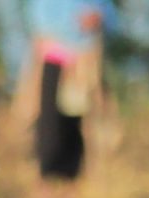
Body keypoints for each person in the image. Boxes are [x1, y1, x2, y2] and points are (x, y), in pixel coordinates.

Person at [23, 1, 104, 188]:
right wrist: (74, 27)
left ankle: (71, 178)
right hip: (54, 60)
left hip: (83, 65)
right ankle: (48, 177)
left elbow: (106, 16)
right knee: (49, 121)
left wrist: (96, 19)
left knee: (75, 121)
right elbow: (40, 23)